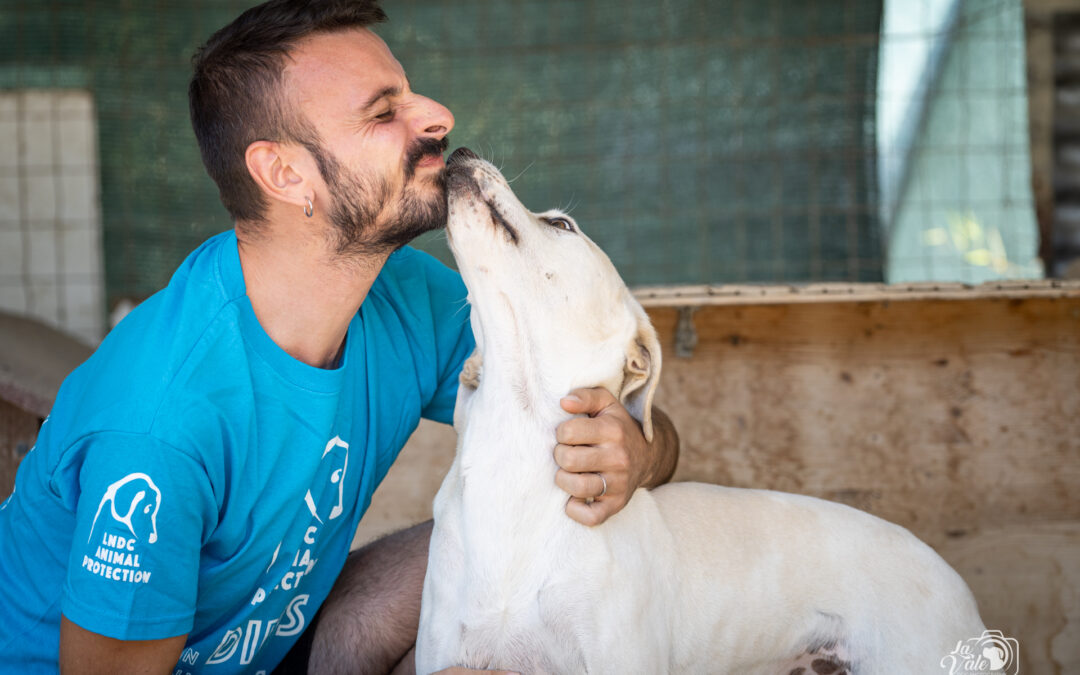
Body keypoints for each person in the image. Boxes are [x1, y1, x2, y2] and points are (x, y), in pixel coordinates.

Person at [0, 1, 680, 673]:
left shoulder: (406, 295)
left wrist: (634, 453)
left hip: (285, 642)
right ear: (286, 175)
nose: (438, 115)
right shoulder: (162, 421)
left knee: (530, 535)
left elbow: (628, 436)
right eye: (384, 113)